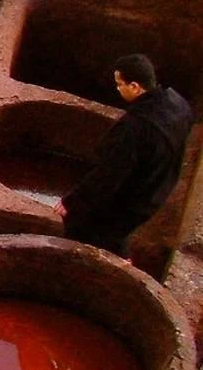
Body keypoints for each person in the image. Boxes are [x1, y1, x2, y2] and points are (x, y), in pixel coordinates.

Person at [58, 55, 194, 255]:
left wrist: (72, 201)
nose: (117, 89)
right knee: (118, 231)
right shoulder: (179, 105)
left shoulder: (135, 128)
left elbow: (109, 174)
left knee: (86, 228)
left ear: (135, 86)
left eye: (119, 84)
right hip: (158, 187)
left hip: (134, 196)